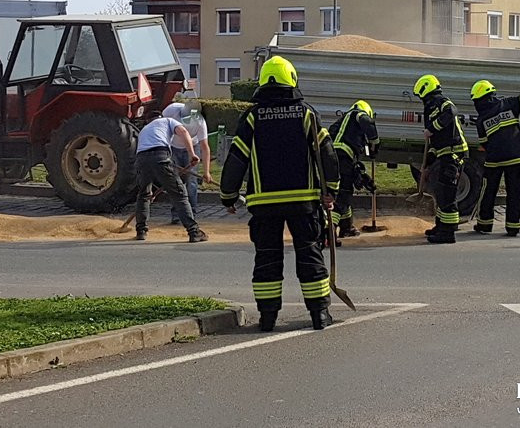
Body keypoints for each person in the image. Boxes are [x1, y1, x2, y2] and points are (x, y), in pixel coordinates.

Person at [220, 56, 340, 332]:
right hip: (303, 201)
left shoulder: (252, 116)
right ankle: (319, 315)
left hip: (264, 204)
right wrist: (330, 190)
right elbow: (327, 154)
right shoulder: (306, 114)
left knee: (267, 257)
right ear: (292, 79)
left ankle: (268, 318)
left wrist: (228, 195)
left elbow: (237, 158)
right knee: (309, 254)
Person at [471, 80, 520, 237]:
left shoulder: (481, 120)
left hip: (494, 160)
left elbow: (484, 144)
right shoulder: (508, 103)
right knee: (514, 192)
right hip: (516, 158)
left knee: (488, 192)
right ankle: (513, 227)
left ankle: (484, 225)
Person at [134, 112, 208, 243]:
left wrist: (154, 188)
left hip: (141, 160)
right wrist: (191, 154)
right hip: (160, 156)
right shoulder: (168, 121)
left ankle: (141, 231)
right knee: (179, 194)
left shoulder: (144, 130)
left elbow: (147, 157)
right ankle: (194, 231)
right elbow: (184, 131)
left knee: (144, 195)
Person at [413, 74, 469, 244]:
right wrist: (427, 164)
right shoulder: (430, 107)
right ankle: (441, 226)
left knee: (447, 192)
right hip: (444, 153)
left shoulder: (441, 101)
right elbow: (434, 144)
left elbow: (451, 112)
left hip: (454, 153)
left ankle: (448, 233)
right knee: (441, 191)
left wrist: (431, 128)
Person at [328, 100, 379, 238]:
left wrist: (365, 178)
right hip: (342, 158)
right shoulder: (357, 114)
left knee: (345, 191)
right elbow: (367, 122)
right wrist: (374, 142)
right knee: (343, 194)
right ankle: (329, 231)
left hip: (332, 160)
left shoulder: (342, 126)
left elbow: (354, 166)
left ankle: (346, 227)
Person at [162, 100, 213, 224]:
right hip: (173, 147)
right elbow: (161, 128)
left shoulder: (200, 122)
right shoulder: (171, 110)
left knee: (191, 182)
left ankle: (191, 213)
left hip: (192, 149)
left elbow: (205, 147)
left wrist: (206, 172)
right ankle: (176, 214)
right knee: (174, 182)